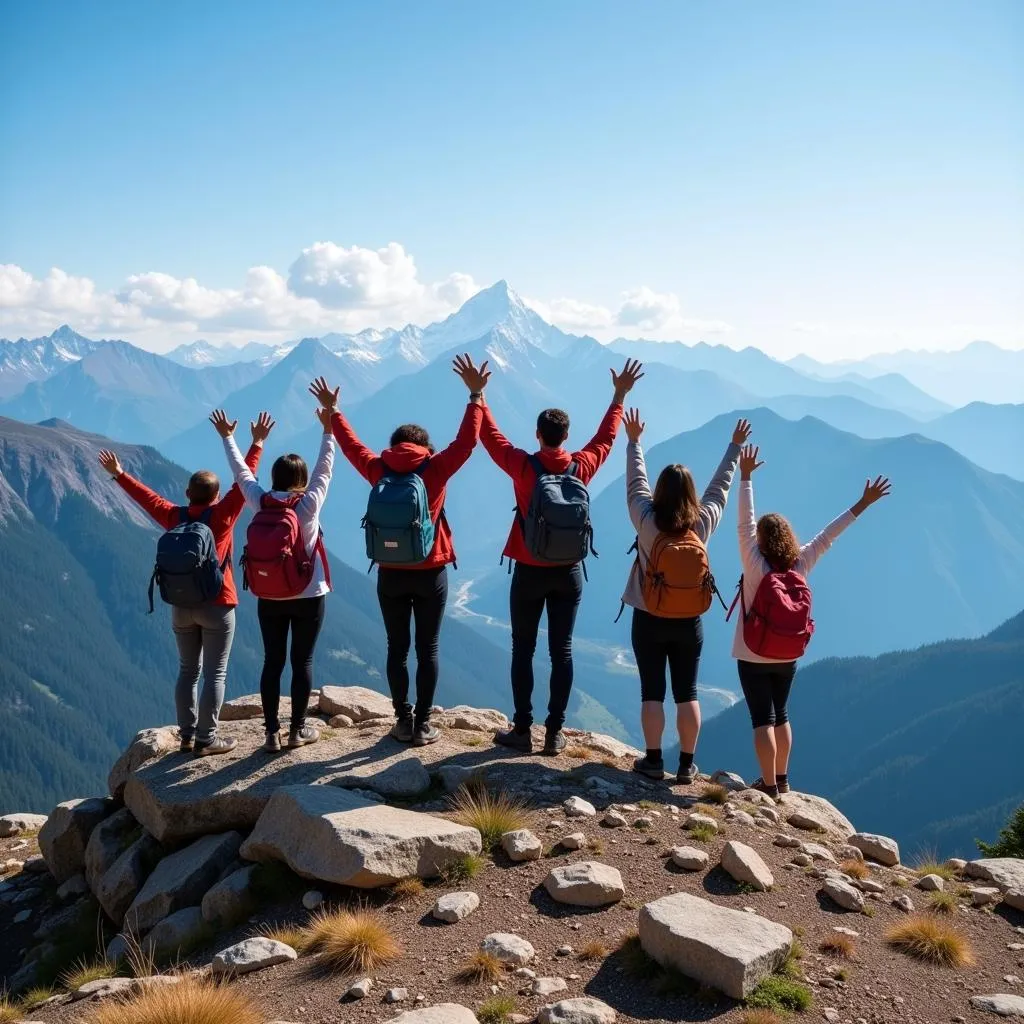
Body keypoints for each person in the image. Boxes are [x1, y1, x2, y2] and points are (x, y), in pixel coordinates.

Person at [310, 355, 489, 746]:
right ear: (425, 447)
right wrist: (475, 395)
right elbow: (467, 443)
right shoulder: (436, 470)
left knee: (397, 648)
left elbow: (352, 447)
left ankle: (402, 719)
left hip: (390, 570)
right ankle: (424, 724)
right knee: (429, 648)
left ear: (394, 446)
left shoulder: (379, 469)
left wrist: (334, 412)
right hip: (430, 571)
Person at [481, 358, 644, 755]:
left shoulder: (523, 466)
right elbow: (606, 438)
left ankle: (521, 729)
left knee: (523, 648)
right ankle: (555, 732)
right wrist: (619, 395)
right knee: (562, 651)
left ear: (538, 434)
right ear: (567, 436)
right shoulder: (581, 466)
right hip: (569, 571)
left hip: (528, 569)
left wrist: (477, 395)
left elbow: (489, 437)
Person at [97, 413, 272, 756]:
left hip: (180, 604)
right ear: (217, 495)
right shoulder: (224, 514)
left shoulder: (173, 516)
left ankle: (188, 735)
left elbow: (147, 498)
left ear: (188, 493)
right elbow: (245, 479)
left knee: (187, 671)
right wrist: (256, 442)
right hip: (218, 603)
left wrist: (119, 475)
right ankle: (208, 740)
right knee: (214, 674)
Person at [734, 443, 891, 799]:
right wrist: (862, 504)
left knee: (762, 719)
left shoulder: (755, 563)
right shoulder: (801, 563)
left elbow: (744, 523)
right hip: (789, 652)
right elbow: (827, 535)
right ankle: (783, 778)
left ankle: (768, 786)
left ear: (760, 540)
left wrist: (745, 478)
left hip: (752, 650)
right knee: (781, 714)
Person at [620, 409, 750, 783]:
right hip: (689, 620)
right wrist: (734, 448)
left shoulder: (645, 519)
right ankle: (687, 765)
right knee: (687, 692)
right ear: (691, 495)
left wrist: (633, 441)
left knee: (652, 691)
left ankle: (653, 761)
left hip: (648, 616)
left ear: (660, 493)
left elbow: (635, 483)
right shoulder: (702, 523)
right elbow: (719, 489)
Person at [211, 404, 335, 753]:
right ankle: (297, 731)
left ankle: (270, 734)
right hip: (309, 593)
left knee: (272, 661)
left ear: (276, 479)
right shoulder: (308, 504)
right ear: (301, 480)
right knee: (302, 662)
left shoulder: (259, 501)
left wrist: (233, 438)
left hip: (268, 593)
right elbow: (326, 467)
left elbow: (241, 472)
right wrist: (329, 429)